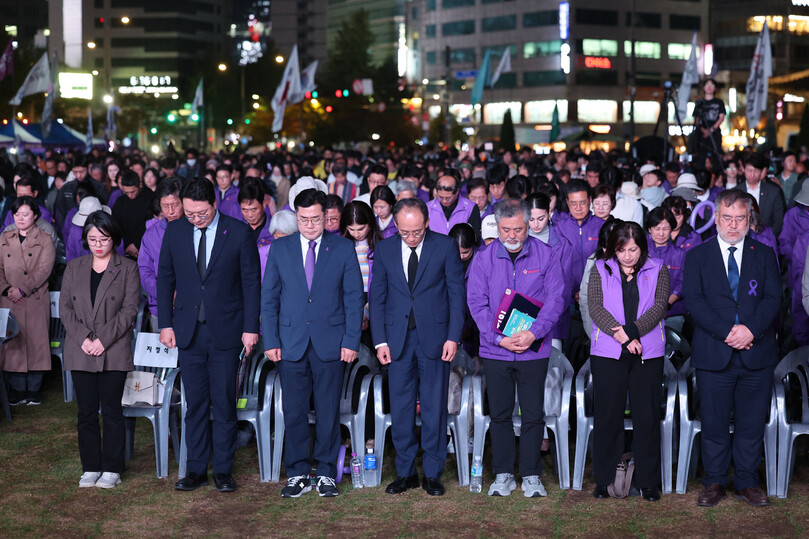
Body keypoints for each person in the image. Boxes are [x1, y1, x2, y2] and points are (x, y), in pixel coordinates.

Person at [158, 179, 260, 493]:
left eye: (200, 214)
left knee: (225, 403)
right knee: (195, 404)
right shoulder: (175, 230)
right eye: (189, 214)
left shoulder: (239, 232)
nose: (195, 219)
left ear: (214, 204)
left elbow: (251, 283)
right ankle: (196, 470)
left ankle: (224, 471)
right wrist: (165, 323)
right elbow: (165, 278)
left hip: (227, 331)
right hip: (188, 331)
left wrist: (250, 328)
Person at [261, 188, 363, 498]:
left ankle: (327, 472)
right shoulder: (280, 249)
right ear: (295, 216)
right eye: (304, 219)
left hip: (330, 341)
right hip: (290, 341)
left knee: (328, 409)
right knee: (293, 410)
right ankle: (296, 472)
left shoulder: (343, 249)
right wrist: (271, 339)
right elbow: (269, 298)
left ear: (325, 216)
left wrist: (351, 340)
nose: (309, 225)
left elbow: (354, 298)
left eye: (316, 219)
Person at [683, 188, 781, 508]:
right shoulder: (697, 256)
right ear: (716, 217)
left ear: (749, 219)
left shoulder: (764, 254)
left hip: (757, 352)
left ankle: (747, 481)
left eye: (741, 218)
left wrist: (750, 330)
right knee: (713, 421)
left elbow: (773, 300)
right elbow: (695, 303)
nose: (734, 225)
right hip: (715, 351)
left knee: (751, 422)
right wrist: (729, 332)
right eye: (728, 218)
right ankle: (714, 481)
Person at [466, 199, 565, 497]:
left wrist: (534, 334)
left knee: (534, 413)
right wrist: (499, 338)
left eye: (519, 229)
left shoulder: (547, 255)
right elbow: (477, 303)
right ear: (497, 227)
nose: (512, 235)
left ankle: (532, 474)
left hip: (534, 348)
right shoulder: (483, 259)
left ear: (529, 226)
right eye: (506, 229)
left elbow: (556, 299)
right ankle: (503, 474)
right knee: (500, 413)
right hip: (496, 350)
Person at [369, 197, 465, 497]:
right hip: (396, 340)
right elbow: (378, 297)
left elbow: (456, 295)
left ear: (427, 223)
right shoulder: (384, 249)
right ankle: (406, 473)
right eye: (405, 232)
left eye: (417, 232)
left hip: (436, 339)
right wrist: (380, 340)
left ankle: (433, 474)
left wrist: (453, 337)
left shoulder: (445, 246)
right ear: (395, 226)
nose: (411, 238)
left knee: (435, 406)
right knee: (400, 407)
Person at [588, 221, 670, 502]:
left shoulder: (658, 268)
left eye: (633, 249)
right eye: (622, 250)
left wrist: (633, 332)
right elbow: (595, 307)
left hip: (647, 352)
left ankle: (648, 482)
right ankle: (603, 479)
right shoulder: (600, 268)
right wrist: (624, 338)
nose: (627, 255)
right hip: (609, 352)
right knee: (607, 415)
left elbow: (659, 306)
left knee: (646, 416)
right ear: (613, 249)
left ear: (642, 248)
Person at [59, 210, 140, 489]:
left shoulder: (127, 268)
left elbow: (130, 310)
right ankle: (90, 466)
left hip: (113, 349)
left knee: (112, 410)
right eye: (92, 239)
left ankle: (112, 468)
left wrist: (102, 340)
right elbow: (65, 309)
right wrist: (83, 338)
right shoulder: (74, 267)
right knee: (86, 411)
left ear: (113, 239)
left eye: (103, 239)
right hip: (80, 348)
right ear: (85, 240)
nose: (98, 244)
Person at [0, 197, 56, 405]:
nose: (21, 218)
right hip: (9, 298)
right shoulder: (5, 237)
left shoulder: (44, 239)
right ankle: (16, 390)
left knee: (36, 343)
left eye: (25, 214)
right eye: (17, 214)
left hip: (33, 298)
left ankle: (33, 390)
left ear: (35, 215)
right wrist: (7, 289)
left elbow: (44, 270)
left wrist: (23, 289)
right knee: (13, 343)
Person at [526, 193, 573, 349]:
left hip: (553, 317)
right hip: (521, 315)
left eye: (541, 218)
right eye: (531, 219)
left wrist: (550, 315)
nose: (536, 225)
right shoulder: (517, 242)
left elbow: (564, 287)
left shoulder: (562, 244)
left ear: (549, 213)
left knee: (553, 368)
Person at [139, 178, 184, 331]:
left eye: (175, 205)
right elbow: (145, 270)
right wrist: (165, 293)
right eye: (165, 206)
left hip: (192, 307)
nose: (170, 211)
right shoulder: (152, 234)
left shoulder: (195, 230)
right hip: (161, 307)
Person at [556, 180, 604, 296]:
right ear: (567, 202)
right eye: (573, 203)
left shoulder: (601, 226)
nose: (578, 208)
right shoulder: (559, 228)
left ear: (590, 200)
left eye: (582, 202)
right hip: (567, 292)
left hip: (596, 292)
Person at [579, 219, 622, 340]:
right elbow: (585, 300)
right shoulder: (593, 262)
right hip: (600, 331)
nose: (611, 252)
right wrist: (593, 335)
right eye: (606, 247)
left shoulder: (639, 261)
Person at [645, 207, 686, 318]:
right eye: (657, 228)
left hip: (673, 312)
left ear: (672, 229)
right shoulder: (641, 252)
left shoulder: (680, 254)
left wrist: (666, 304)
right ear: (649, 229)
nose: (661, 233)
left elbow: (682, 283)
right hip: (644, 313)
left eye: (666, 229)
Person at [737, 153, 786, 236]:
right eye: (749, 170)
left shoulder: (774, 191)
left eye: (756, 171)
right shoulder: (735, 192)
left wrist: (767, 237)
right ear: (743, 169)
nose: (752, 174)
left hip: (767, 239)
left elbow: (779, 220)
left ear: (762, 171)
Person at [112, 170, 155, 259]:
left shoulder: (150, 197)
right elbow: (116, 226)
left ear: (139, 185)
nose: (130, 196)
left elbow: (152, 224)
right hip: (126, 249)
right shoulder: (120, 202)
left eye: (133, 192)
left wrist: (136, 244)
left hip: (146, 248)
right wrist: (127, 245)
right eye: (126, 192)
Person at [426, 171, 481, 235]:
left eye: (448, 198)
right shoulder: (428, 207)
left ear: (457, 192)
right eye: (440, 197)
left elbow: (475, 236)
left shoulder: (470, 208)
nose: (444, 201)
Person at [692, 78, 726, 165]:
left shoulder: (719, 102)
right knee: (701, 157)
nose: (709, 87)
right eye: (707, 85)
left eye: (712, 85)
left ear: (715, 88)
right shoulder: (699, 103)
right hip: (701, 134)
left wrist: (711, 130)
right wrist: (703, 130)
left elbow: (721, 117)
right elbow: (696, 119)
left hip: (715, 133)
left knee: (715, 156)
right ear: (704, 88)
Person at [238, 179, 273, 247]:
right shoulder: (237, 229)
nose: (250, 215)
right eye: (245, 210)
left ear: (263, 204)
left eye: (254, 209)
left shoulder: (275, 229)